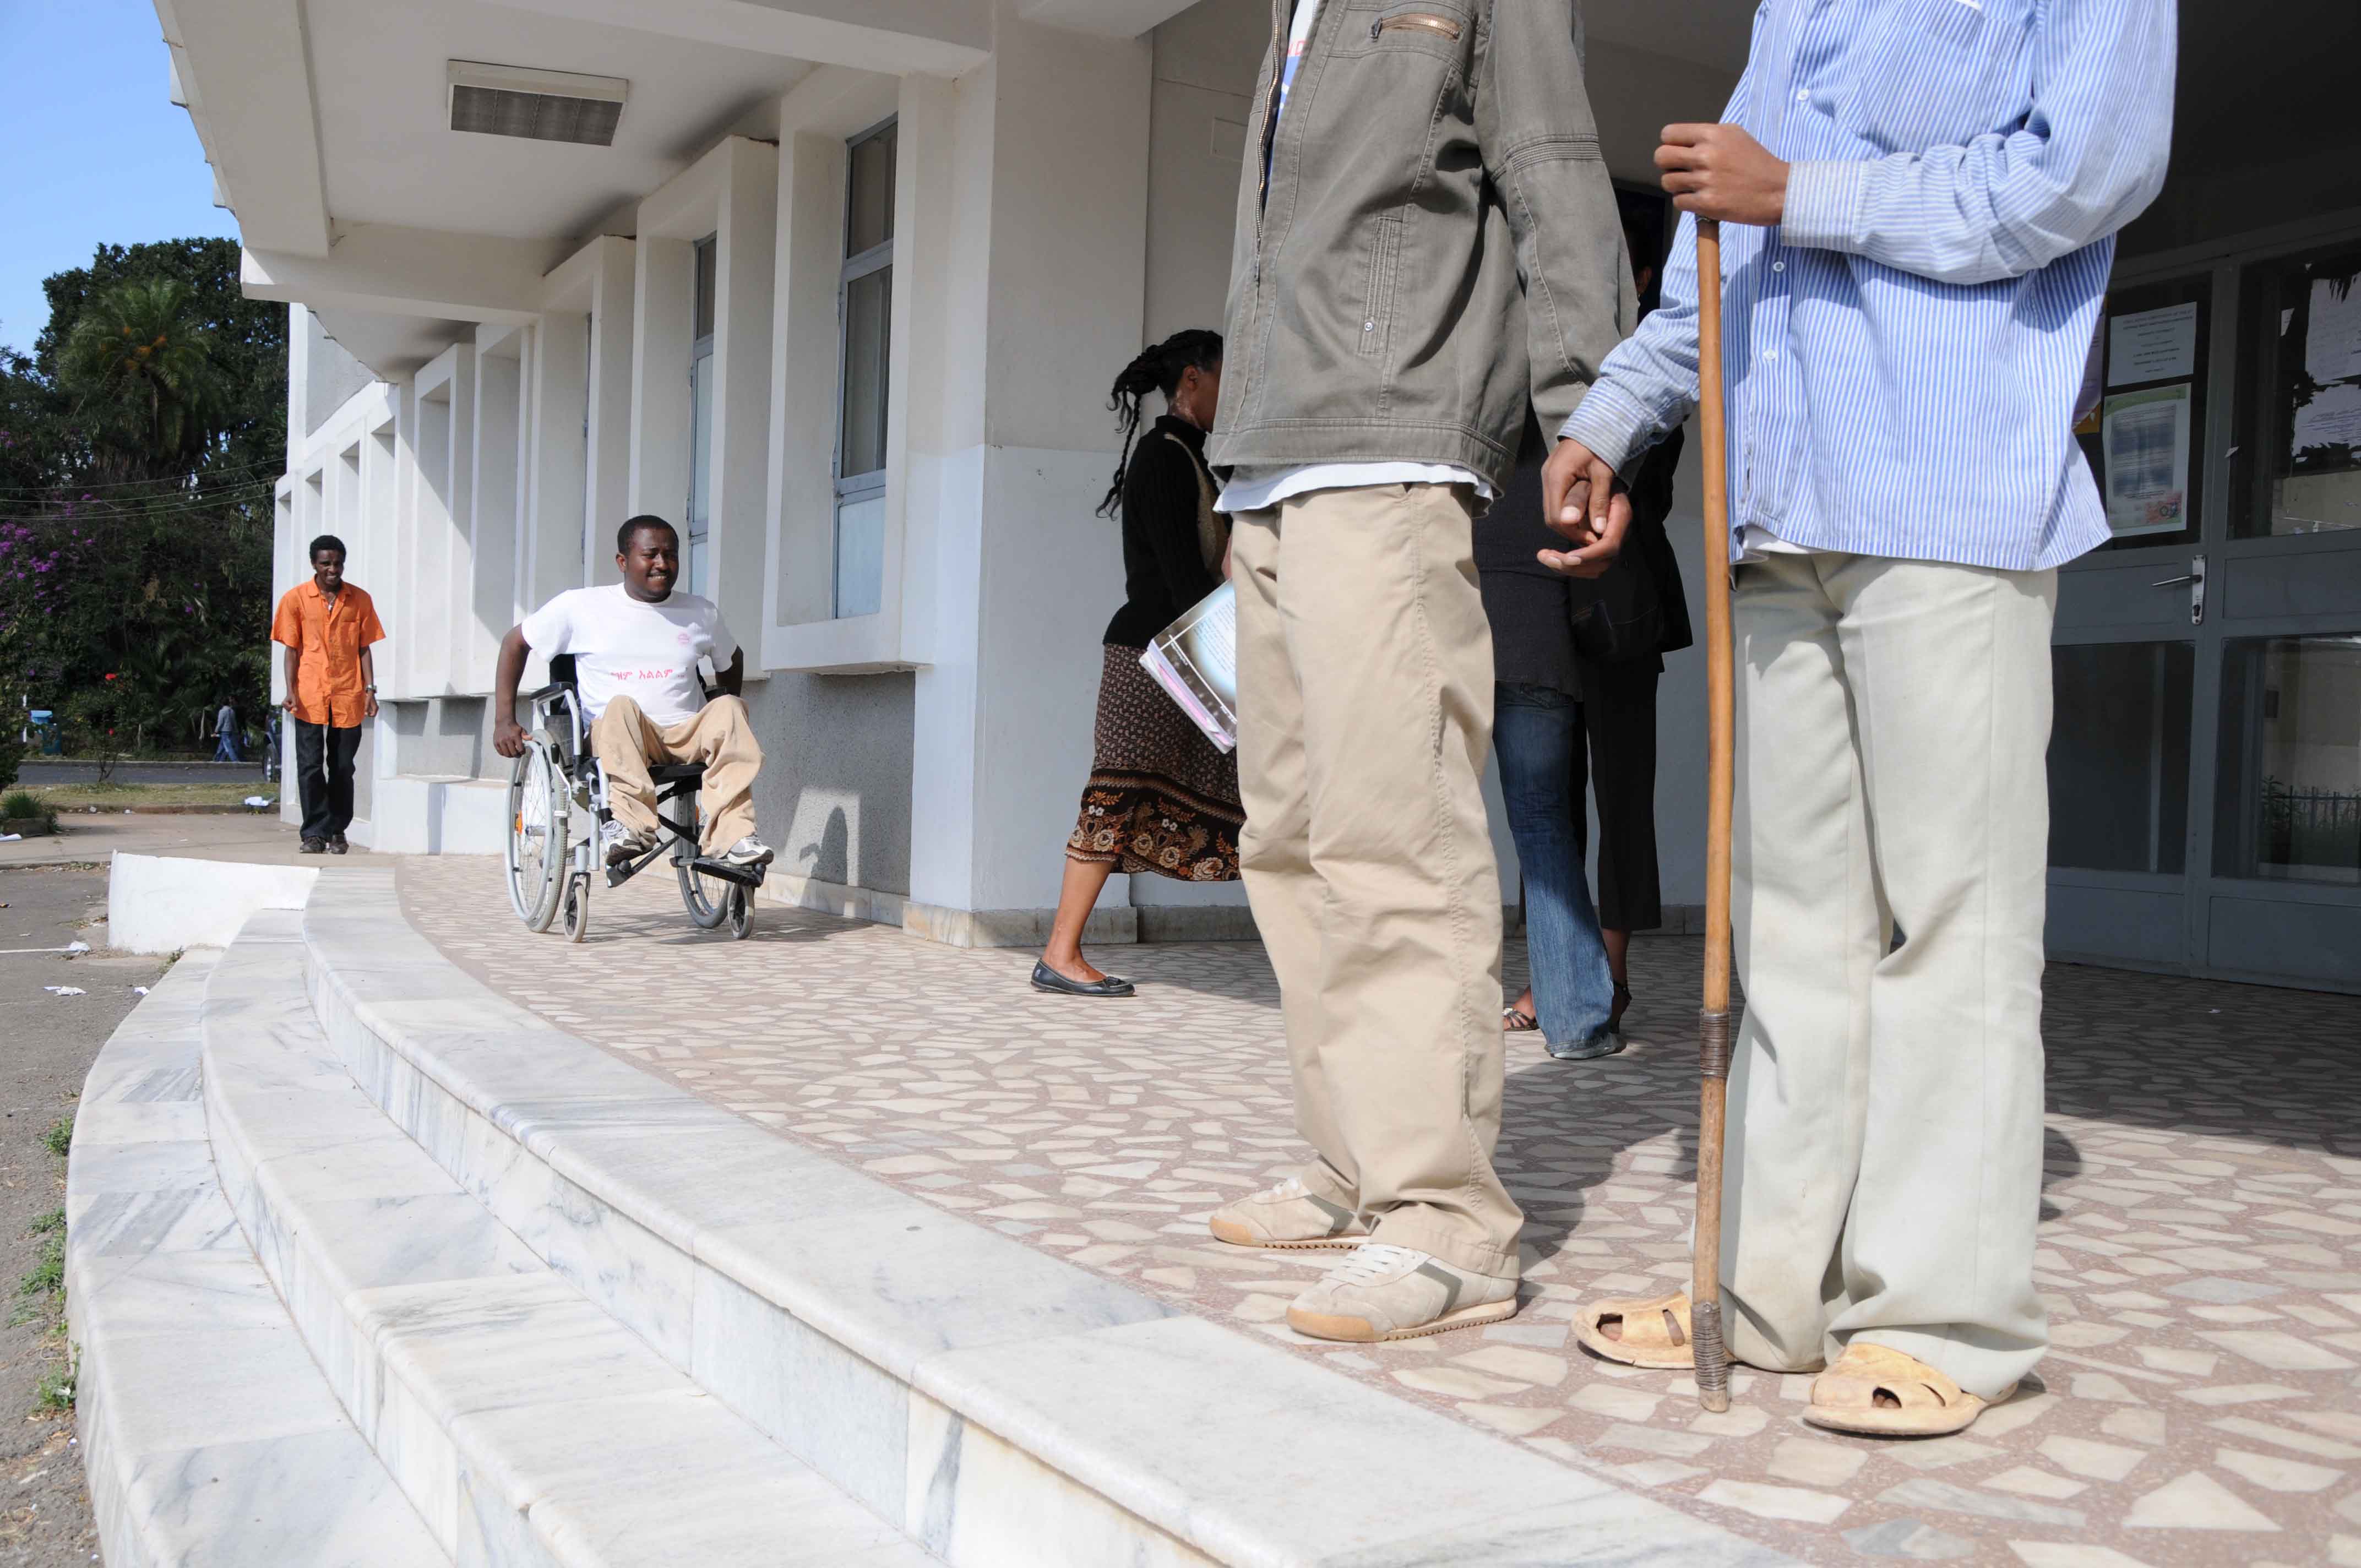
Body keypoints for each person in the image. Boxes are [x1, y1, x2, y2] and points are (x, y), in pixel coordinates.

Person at [1549, 0, 2175, 1436]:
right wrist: (1613, 416)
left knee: (1952, 921)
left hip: (1944, 494)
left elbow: (2085, 169)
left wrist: (1803, 192)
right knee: (1787, 928)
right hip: (1781, 500)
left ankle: (1944, 1315)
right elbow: (1723, 240)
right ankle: (1763, 1292)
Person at [1203, 0, 1631, 1344]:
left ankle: (1445, 1216)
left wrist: (1593, 413)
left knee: (1393, 830)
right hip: (1267, 459)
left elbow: (1553, 174)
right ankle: (1352, 1163)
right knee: (1286, 839)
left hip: (1390, 446)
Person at [1035, 330, 1242, 999]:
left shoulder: (1191, 457)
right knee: (1115, 795)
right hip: (1153, 658)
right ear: (1192, 380)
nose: (1233, 394)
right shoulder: (1163, 457)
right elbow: (1185, 580)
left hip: (1174, 652)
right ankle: (1059, 953)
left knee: (1252, 793)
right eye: (1224, 379)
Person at [492, 516, 773, 872]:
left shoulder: (700, 612)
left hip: (686, 733)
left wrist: (722, 717)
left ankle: (735, 836)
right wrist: (504, 720)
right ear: (623, 561)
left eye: (671, 555)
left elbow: (732, 658)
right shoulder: (579, 607)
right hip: (621, 733)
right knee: (620, 706)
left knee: (730, 707)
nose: (662, 564)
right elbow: (514, 643)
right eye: (651, 555)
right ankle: (630, 827)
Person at [1474, 422, 1621, 1061]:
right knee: (1542, 825)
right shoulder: (1567, 436)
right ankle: (1578, 1022)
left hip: (1449, 632)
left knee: (1427, 824)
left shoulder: (1458, 427)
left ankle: (1426, 1016)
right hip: (1536, 643)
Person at [271, 535, 384, 854]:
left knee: (343, 766)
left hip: (348, 693)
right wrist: (290, 690)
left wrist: (370, 690)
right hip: (309, 694)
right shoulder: (295, 599)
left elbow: (364, 648)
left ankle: (337, 830)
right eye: (326, 564)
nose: (332, 569)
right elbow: (291, 650)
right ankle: (313, 834)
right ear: (314, 564)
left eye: (337, 563)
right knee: (310, 766)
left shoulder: (359, 600)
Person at [212, 698, 242, 763]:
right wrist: (236, 730)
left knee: (228, 747)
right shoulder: (232, 711)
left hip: (224, 731)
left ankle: (235, 760)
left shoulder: (222, 711)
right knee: (221, 747)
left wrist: (216, 731)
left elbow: (220, 723)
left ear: (222, 704)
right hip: (231, 731)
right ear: (229, 703)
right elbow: (234, 722)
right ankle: (217, 759)